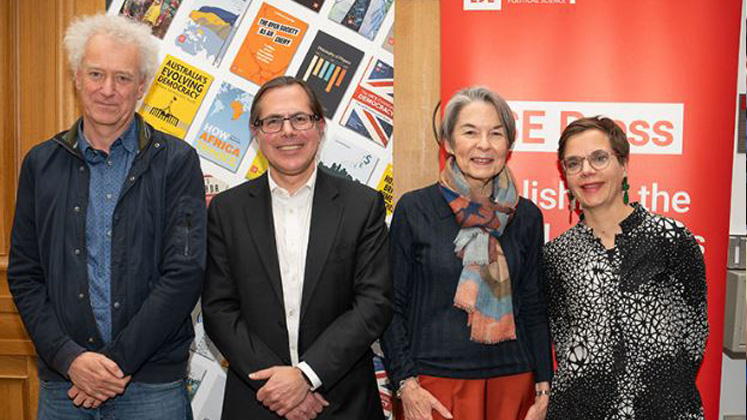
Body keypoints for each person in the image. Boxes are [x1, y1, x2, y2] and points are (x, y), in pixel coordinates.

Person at [7, 14, 206, 419]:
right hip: (65, 384)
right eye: (96, 74)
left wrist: (113, 366)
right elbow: (25, 274)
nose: (107, 90)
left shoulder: (177, 162)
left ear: (142, 88)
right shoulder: (40, 164)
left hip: (151, 386)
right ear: (77, 78)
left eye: (123, 78)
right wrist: (71, 360)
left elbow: (184, 273)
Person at [201, 76, 392, 420]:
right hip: (257, 400)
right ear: (256, 132)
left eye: (300, 119)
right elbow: (219, 309)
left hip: (343, 403)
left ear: (320, 127)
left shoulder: (362, 205)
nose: (288, 131)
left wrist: (307, 376)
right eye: (273, 121)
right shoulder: (226, 210)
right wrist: (281, 387)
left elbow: (373, 304)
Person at [380, 86, 553, 420]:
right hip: (434, 386)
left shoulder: (526, 216)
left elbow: (533, 307)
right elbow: (391, 305)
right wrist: (406, 384)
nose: (483, 145)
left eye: (496, 134)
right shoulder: (415, 209)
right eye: (470, 132)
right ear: (448, 142)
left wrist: (545, 387)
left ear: (509, 144)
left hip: (513, 383)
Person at [543, 116, 709, 419]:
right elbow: (562, 335)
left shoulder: (671, 238)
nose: (587, 171)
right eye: (574, 163)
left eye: (599, 158)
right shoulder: (557, 254)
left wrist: (663, 385)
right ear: (565, 175)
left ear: (623, 164)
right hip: (580, 408)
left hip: (664, 408)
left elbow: (695, 329)